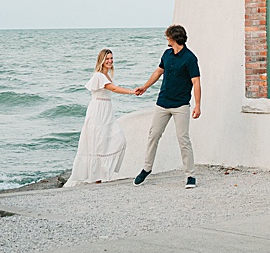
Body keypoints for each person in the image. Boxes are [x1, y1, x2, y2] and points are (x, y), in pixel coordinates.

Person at [132, 24, 201, 190]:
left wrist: (198, 105)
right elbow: (158, 72)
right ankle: (146, 169)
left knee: (183, 139)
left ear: (174, 38)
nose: (167, 39)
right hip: (163, 102)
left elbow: (196, 82)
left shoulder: (190, 58)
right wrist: (145, 86)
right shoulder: (167, 54)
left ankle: (190, 175)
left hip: (181, 105)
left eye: (168, 37)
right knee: (153, 135)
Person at [66, 48, 139, 186]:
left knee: (117, 140)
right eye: (107, 58)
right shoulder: (98, 76)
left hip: (106, 110)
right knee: (97, 142)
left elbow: (112, 87)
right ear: (101, 60)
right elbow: (114, 89)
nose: (110, 61)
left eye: (111, 58)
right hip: (98, 111)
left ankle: (101, 175)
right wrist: (131, 92)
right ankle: (96, 178)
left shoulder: (107, 76)